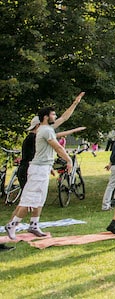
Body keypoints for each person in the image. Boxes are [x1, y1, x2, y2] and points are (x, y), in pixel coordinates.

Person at [4, 102, 79, 241]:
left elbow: (63, 119)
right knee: (29, 199)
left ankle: (34, 225)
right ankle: (12, 225)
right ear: (45, 117)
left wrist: (76, 103)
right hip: (37, 169)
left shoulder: (46, 129)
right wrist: (69, 160)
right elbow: (58, 147)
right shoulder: (45, 130)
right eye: (53, 114)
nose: (55, 116)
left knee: (39, 199)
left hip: (42, 167)